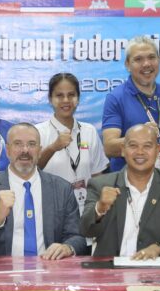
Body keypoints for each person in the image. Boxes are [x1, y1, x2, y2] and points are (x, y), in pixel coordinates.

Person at [0, 123, 86, 258]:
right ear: (7, 150)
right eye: (18, 144)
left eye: (32, 144)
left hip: (49, 267)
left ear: (39, 151)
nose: (25, 150)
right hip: (4, 269)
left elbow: (77, 237)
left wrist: (67, 247)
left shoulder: (62, 189)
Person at [80, 124, 160, 258]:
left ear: (158, 150)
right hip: (111, 268)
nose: (140, 152)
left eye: (147, 146)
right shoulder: (101, 185)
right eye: (133, 146)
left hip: (156, 268)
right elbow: (85, 230)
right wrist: (100, 208)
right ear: (123, 150)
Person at [101, 36, 160, 174]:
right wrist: (140, 136)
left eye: (151, 57)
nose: (146, 64)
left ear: (159, 60)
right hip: (128, 180)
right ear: (127, 64)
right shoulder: (116, 98)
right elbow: (109, 147)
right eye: (138, 59)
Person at [36, 73, 109, 217]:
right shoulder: (38, 132)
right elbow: (30, 170)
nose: (66, 100)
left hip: (86, 210)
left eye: (71, 95)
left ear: (78, 98)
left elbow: (97, 174)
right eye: (59, 95)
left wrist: (98, 209)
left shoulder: (89, 131)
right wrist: (52, 148)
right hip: (51, 212)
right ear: (50, 99)